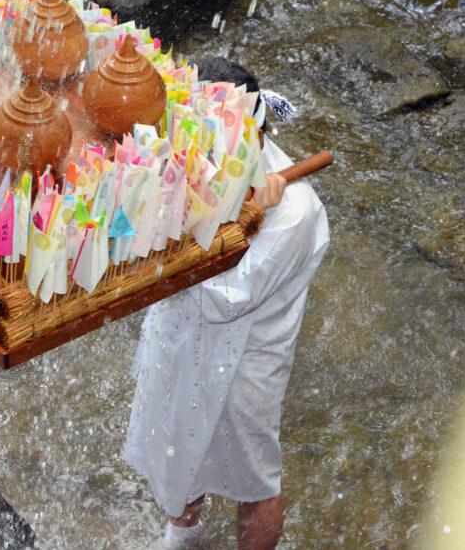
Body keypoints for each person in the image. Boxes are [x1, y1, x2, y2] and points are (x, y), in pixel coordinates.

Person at [124, 57, 330, 549]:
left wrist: (246, 216)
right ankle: (182, 531)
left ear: (255, 136)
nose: (204, 155)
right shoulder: (194, 160)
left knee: (251, 474)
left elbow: (226, 298)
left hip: (245, 356)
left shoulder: (296, 211)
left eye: (220, 141)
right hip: (179, 326)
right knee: (171, 433)